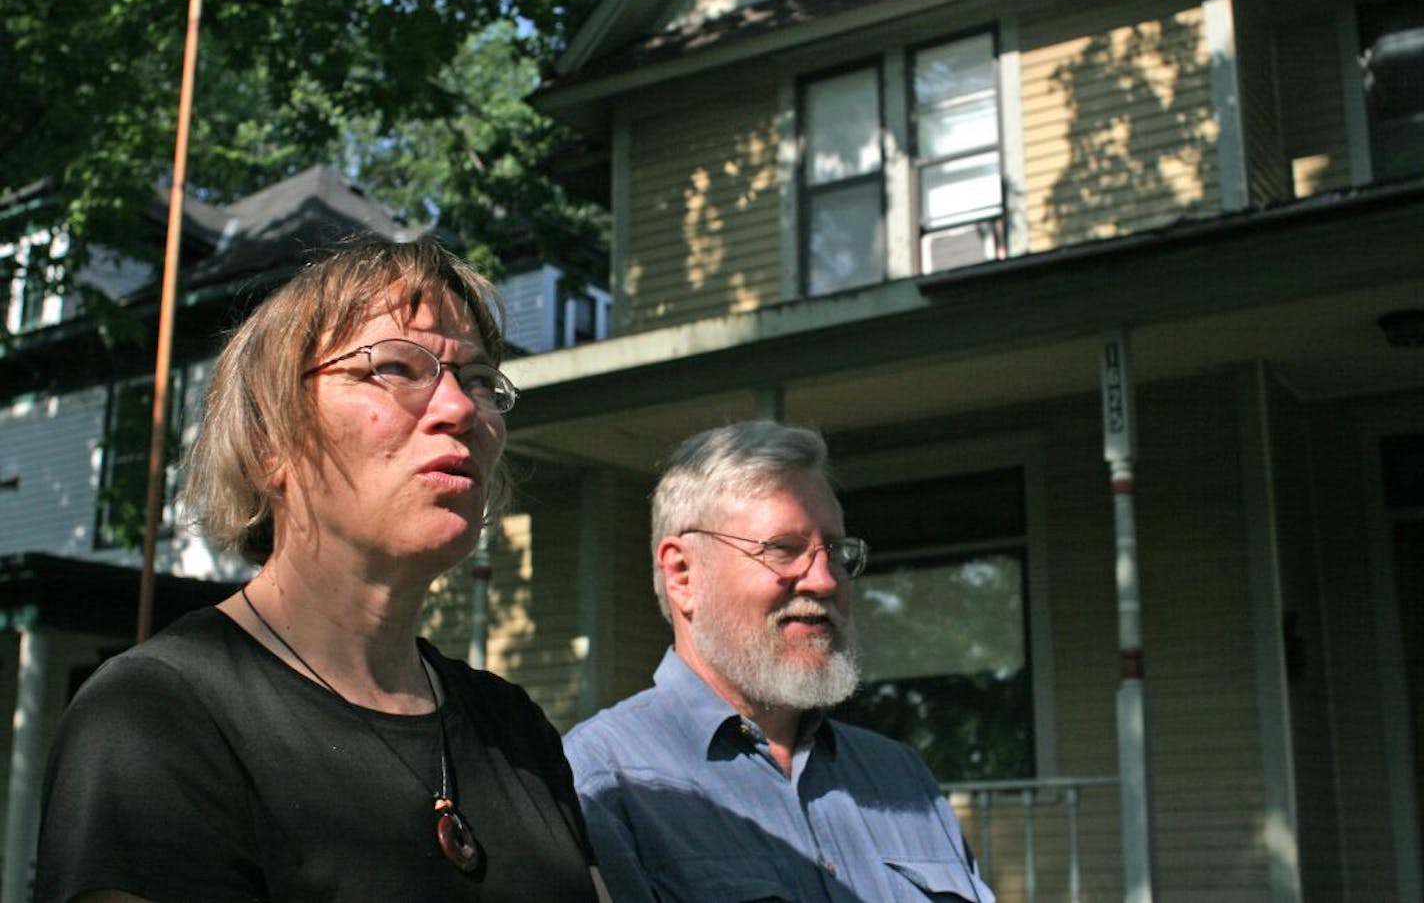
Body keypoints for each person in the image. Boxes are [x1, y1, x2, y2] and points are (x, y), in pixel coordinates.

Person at [35, 238, 606, 901]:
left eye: (478, 380)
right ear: (269, 439)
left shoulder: (514, 729)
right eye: (395, 367)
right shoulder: (155, 717)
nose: (461, 410)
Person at [563, 421, 995, 902]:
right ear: (683, 574)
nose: (825, 580)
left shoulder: (902, 777)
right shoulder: (604, 778)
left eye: (834, 551)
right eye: (784, 550)